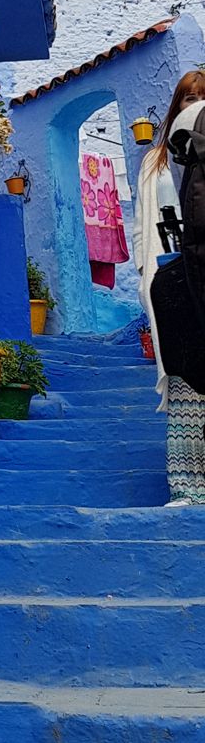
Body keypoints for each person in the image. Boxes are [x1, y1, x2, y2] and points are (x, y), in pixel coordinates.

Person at [133, 70, 205, 504]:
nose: (193, 103)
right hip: (171, 275)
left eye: (200, 96)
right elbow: (143, 225)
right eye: (186, 97)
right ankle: (187, 486)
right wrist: (148, 278)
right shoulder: (156, 160)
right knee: (184, 380)